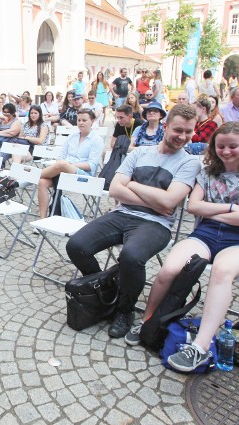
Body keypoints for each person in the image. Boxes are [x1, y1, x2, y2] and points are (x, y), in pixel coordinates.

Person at [125, 122, 239, 373]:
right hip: (204, 234)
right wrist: (232, 209)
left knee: (222, 272)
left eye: (232, 146)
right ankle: (148, 322)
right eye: (221, 146)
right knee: (170, 269)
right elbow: (193, 207)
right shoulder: (207, 172)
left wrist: (216, 212)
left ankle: (200, 348)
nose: (226, 151)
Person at [66, 104, 201, 338]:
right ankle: (107, 288)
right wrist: (156, 200)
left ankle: (124, 310)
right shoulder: (139, 153)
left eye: (188, 132)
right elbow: (116, 190)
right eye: (178, 130)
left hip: (157, 224)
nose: (183, 137)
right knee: (76, 246)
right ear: (166, 126)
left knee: (131, 256)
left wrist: (135, 185)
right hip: (121, 214)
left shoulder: (189, 163)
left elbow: (169, 203)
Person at [37, 109, 104, 219]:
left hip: (84, 175)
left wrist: (69, 165)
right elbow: (61, 157)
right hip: (63, 171)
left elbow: (91, 165)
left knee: (62, 164)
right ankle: (43, 219)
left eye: (84, 120)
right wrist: (65, 165)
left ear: (92, 121)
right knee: (42, 182)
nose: (81, 122)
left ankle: (31, 176)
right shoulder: (72, 136)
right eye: (79, 120)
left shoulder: (97, 140)